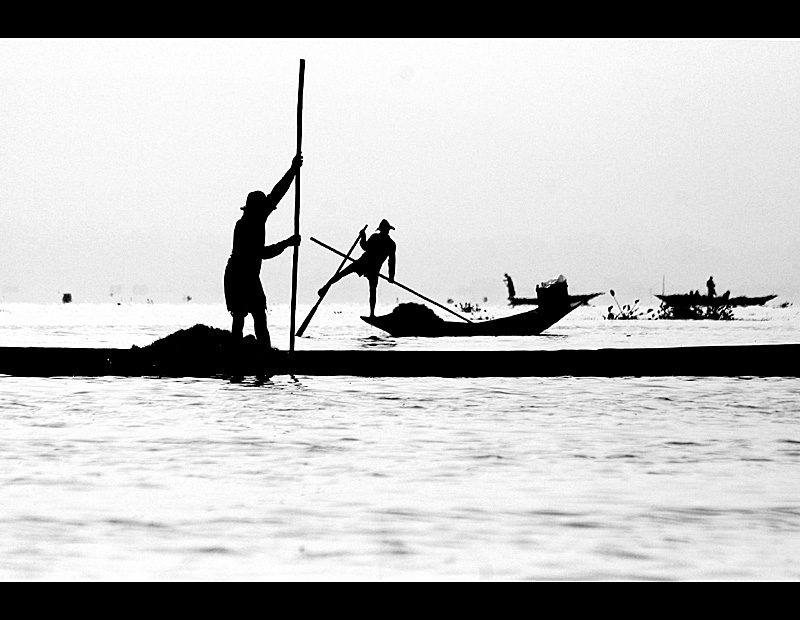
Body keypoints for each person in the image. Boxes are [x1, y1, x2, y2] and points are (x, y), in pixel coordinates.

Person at [224, 154, 302, 370]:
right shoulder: (245, 226)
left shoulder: (259, 217)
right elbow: (261, 254)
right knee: (240, 317)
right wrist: (287, 243)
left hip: (250, 275)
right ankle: (237, 357)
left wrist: (293, 170)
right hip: (238, 275)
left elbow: (278, 193)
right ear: (254, 210)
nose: (267, 209)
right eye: (263, 208)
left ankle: (264, 354)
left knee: (260, 316)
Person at [317, 219, 396, 317]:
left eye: (387, 229)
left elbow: (391, 261)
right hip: (363, 262)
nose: (386, 231)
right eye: (385, 229)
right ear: (382, 229)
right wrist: (363, 237)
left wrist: (391, 276)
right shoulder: (377, 238)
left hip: (373, 268)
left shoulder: (390, 244)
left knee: (373, 290)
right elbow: (365, 247)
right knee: (342, 274)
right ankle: (325, 288)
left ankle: (372, 314)